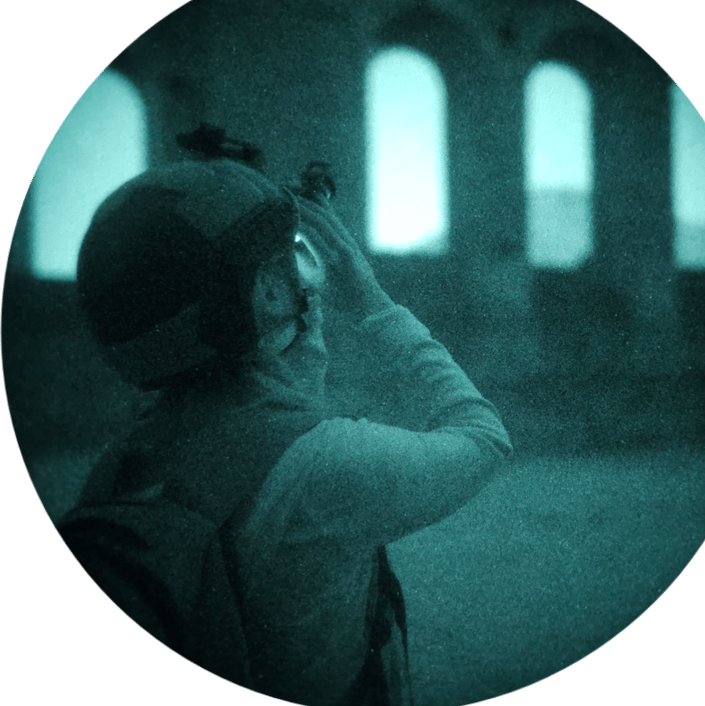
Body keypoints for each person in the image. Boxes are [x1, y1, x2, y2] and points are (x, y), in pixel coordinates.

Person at [59, 127, 512, 706]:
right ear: (269, 295)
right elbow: (485, 438)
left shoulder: (124, 462)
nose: (306, 280)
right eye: (291, 262)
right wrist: (372, 300)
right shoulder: (325, 466)